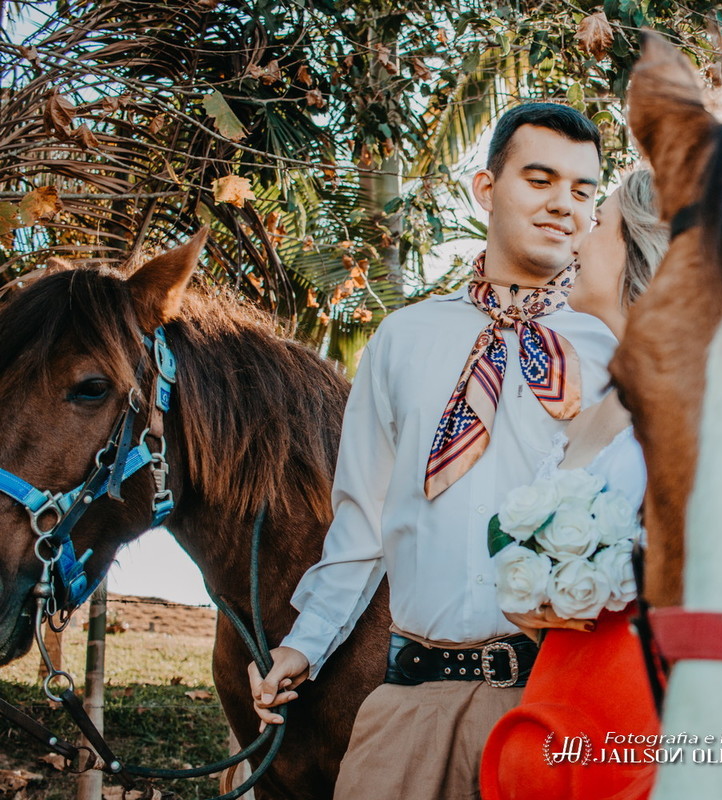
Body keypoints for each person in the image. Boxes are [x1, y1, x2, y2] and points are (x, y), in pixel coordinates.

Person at [248, 102, 617, 800]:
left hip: (562, 709)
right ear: (486, 188)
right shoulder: (403, 338)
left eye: (582, 190)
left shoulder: (611, 352)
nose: (563, 205)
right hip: (412, 705)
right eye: (540, 180)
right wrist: (304, 643)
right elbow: (364, 518)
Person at [479, 169, 669, 800]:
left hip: (639, 711)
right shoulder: (596, 405)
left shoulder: (696, 401)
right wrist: (533, 593)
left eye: (600, 221)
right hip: (555, 698)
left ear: (642, 243)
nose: (578, 235)